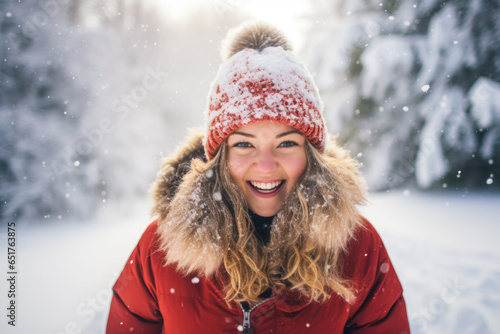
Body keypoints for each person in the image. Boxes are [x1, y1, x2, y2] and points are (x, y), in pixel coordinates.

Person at [106, 21, 410, 333]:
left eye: (287, 143)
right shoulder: (162, 249)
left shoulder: (356, 245)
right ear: (220, 157)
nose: (265, 166)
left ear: (312, 154)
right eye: (244, 144)